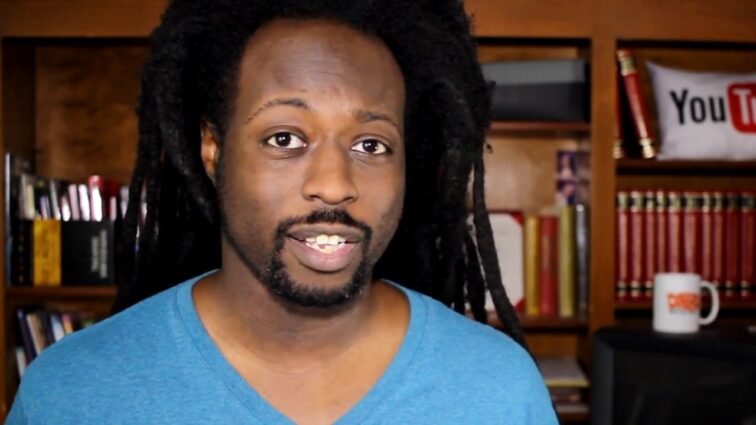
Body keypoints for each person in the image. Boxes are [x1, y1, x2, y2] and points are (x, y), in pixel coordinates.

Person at [7, 1, 557, 423]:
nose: (334, 186)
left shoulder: (497, 391)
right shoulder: (74, 392)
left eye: (371, 145)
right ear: (213, 149)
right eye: (285, 138)